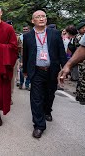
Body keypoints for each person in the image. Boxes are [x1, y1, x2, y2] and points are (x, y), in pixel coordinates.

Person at [23, 10, 67, 138]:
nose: (41, 18)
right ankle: (39, 125)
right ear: (33, 21)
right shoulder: (28, 36)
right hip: (36, 71)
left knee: (49, 94)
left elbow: (61, 53)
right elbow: (26, 55)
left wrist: (64, 69)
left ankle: (47, 110)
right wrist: (25, 70)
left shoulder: (55, 34)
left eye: (43, 16)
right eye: (38, 17)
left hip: (52, 70)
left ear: (46, 19)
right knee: (36, 98)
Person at [59, 16, 85, 106]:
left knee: (83, 79)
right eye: (84, 28)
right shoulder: (80, 38)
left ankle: (81, 95)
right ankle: (82, 96)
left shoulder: (78, 37)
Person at [19, 26, 31, 90]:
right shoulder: (20, 38)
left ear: (29, 29)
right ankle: (21, 83)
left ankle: (27, 84)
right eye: (24, 29)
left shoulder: (32, 36)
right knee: (22, 70)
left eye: (26, 29)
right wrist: (20, 60)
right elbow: (19, 48)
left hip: (30, 56)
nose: (25, 30)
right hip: (23, 56)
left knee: (29, 70)